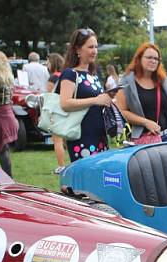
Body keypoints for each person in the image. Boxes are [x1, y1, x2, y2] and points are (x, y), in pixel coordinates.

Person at [58, 28, 112, 162]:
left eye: (96, 47)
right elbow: (65, 103)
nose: (95, 51)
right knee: (86, 178)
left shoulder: (92, 75)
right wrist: (95, 100)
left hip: (99, 135)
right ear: (78, 49)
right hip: (82, 136)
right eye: (90, 47)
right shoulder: (70, 74)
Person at [117, 43, 167, 144]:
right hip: (143, 140)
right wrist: (145, 122)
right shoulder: (126, 82)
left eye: (156, 59)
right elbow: (121, 111)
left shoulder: (163, 81)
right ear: (139, 58)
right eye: (149, 57)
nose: (153, 61)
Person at [46, 53, 67, 173]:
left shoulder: (53, 78)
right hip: (66, 110)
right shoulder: (65, 76)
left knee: (57, 140)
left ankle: (61, 165)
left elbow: (49, 96)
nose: (47, 65)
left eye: (48, 62)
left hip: (55, 110)